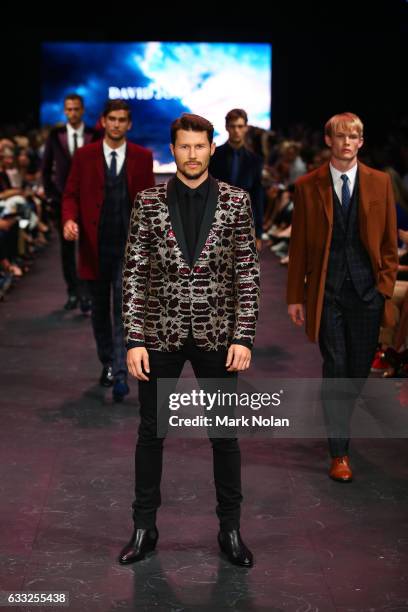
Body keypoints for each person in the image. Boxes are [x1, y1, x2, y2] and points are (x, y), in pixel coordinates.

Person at [119, 113, 260, 567]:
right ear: (173, 149)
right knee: (151, 433)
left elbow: (247, 272)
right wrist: (135, 338)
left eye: (200, 146)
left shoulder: (237, 202)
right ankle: (144, 528)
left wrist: (244, 335)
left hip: (219, 337)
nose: (193, 154)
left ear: (212, 147)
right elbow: (135, 271)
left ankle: (230, 530)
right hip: (159, 334)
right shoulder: (148, 201)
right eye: (184, 146)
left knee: (224, 436)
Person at [287, 112, 398, 482]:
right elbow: (299, 243)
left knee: (357, 369)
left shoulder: (380, 183)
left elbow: (388, 241)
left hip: (368, 292)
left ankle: (338, 418)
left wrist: (384, 286)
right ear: (328, 140)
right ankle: (339, 451)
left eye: (354, 136)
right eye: (341, 136)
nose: (347, 142)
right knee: (335, 366)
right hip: (327, 291)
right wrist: (295, 296)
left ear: (361, 142)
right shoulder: (307, 186)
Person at [62, 100, 154, 399]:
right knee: (100, 310)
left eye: (122, 119)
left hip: (129, 248)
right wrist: (69, 219)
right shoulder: (84, 156)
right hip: (94, 247)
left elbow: (150, 202)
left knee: (124, 310)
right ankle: (108, 362)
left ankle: (120, 370)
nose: (116, 124)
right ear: (103, 121)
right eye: (111, 119)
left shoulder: (142, 157)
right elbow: (71, 193)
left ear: (129, 124)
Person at [42, 93, 97, 311]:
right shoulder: (55, 135)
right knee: (66, 250)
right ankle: (73, 293)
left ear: (82, 110)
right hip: (61, 201)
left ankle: (85, 294)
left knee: (87, 249)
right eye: (69, 109)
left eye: (76, 109)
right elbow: (46, 168)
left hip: (89, 201)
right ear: (64, 111)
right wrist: (50, 195)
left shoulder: (94, 134)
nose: (73, 113)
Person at [209, 108, 264, 250]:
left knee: (243, 269)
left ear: (246, 128)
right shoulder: (214, 157)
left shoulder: (255, 160)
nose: (236, 130)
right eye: (233, 126)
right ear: (227, 127)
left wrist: (258, 234)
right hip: (217, 221)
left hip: (244, 222)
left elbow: (257, 197)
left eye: (240, 126)